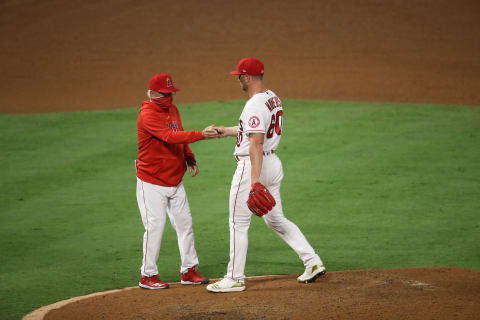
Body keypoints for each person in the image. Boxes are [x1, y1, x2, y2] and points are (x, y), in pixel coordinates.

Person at [206, 58, 326, 293]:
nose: (238, 80)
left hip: (254, 165)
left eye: (239, 76)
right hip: (273, 163)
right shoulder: (272, 97)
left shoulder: (254, 104)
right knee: (276, 219)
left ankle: (234, 277)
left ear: (248, 78)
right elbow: (254, 131)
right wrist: (227, 132)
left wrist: (254, 181)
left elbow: (257, 142)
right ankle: (312, 261)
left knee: (237, 223)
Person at [136, 73, 218, 289]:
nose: (169, 98)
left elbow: (178, 134)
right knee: (155, 227)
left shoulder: (172, 110)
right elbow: (169, 137)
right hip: (152, 182)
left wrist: (189, 156)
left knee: (185, 225)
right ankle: (147, 275)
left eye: (171, 94)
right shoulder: (148, 114)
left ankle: (189, 271)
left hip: (175, 180)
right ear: (152, 94)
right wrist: (201, 134)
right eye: (164, 94)